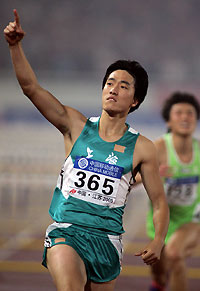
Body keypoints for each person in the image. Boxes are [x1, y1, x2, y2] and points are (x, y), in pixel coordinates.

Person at [4, 9, 169, 291]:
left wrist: (158, 239)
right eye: (109, 83)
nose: (113, 89)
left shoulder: (143, 148)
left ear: (136, 100)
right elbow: (31, 87)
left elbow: (159, 202)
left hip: (107, 240)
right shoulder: (75, 125)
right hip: (66, 231)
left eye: (123, 85)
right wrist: (15, 46)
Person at [145, 92, 200, 291]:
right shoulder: (157, 148)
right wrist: (150, 175)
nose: (185, 117)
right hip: (161, 221)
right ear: (168, 119)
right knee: (159, 276)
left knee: (175, 255)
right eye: (179, 113)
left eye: (190, 113)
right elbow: (131, 180)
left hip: (192, 219)